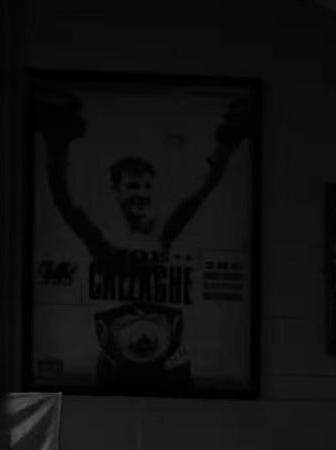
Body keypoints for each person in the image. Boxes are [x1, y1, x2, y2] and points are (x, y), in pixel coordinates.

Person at [33, 89, 251, 389]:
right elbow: (63, 200)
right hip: (116, 362)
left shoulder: (163, 232)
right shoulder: (103, 239)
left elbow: (201, 190)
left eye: (147, 186)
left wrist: (226, 145)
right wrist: (56, 143)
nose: (141, 193)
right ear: (117, 189)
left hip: (170, 361)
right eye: (133, 185)